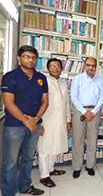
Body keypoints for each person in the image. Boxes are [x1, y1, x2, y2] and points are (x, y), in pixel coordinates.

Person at [1, 45, 48, 196]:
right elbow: (8, 103)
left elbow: (45, 101)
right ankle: (8, 192)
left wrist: (36, 119)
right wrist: (27, 121)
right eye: (27, 57)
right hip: (15, 126)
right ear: (19, 58)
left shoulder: (41, 78)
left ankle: (25, 186)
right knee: (11, 161)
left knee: (28, 158)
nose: (31, 60)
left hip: (34, 124)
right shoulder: (9, 76)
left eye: (33, 58)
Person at [37, 58, 71, 187]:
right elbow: (38, 103)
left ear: (61, 68)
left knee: (55, 147)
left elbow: (67, 103)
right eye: (52, 66)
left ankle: (51, 169)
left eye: (58, 66)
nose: (55, 68)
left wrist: (68, 120)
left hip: (60, 121)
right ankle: (44, 176)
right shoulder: (43, 82)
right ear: (48, 68)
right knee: (44, 149)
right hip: (46, 121)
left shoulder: (63, 83)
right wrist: (39, 122)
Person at [70, 57, 103, 178]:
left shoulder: (100, 81)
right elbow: (73, 97)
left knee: (92, 139)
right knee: (77, 140)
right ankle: (76, 167)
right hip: (80, 110)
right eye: (88, 65)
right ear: (84, 65)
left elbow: (102, 98)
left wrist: (93, 112)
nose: (91, 67)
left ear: (96, 67)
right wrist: (85, 112)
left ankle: (90, 165)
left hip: (95, 112)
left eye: (93, 65)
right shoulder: (77, 79)